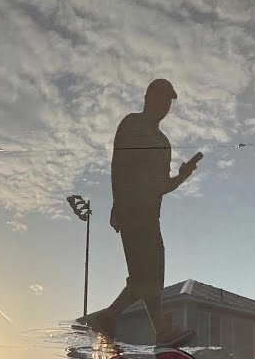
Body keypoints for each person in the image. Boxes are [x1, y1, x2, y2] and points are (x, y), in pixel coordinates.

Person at [80, 79, 201, 346]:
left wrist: (182, 176)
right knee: (147, 278)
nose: (165, 105)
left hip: (150, 215)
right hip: (132, 210)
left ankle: (113, 318)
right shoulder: (131, 123)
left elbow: (162, 186)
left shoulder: (164, 143)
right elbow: (118, 165)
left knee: (150, 278)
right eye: (161, 98)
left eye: (168, 101)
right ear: (148, 98)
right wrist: (118, 204)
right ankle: (146, 327)